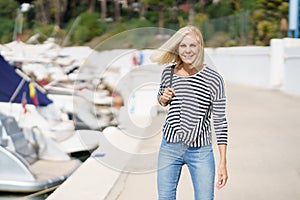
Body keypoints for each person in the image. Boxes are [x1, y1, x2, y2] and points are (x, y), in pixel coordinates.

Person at [150, 25, 228, 200]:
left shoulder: (213, 79)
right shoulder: (168, 73)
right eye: (183, 46)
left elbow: (221, 122)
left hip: (200, 150)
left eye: (192, 45)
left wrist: (223, 162)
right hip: (170, 147)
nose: (187, 50)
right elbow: (162, 100)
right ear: (177, 48)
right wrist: (163, 98)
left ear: (200, 47)